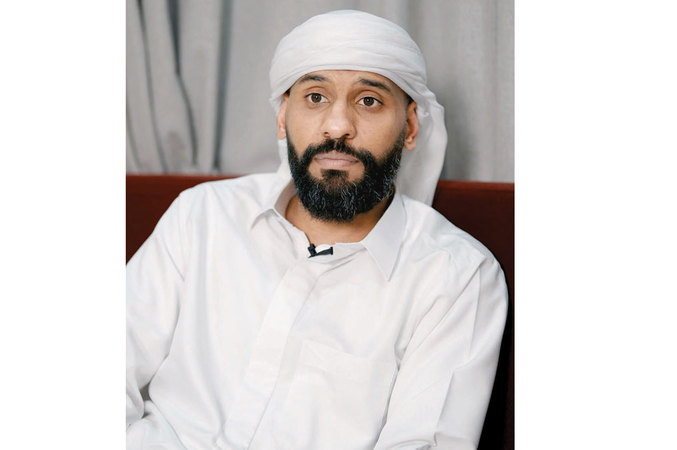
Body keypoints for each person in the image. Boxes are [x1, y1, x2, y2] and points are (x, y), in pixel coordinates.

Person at [127, 10, 507, 450]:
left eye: (369, 101)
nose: (338, 126)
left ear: (410, 127)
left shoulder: (456, 277)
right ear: (282, 117)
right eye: (315, 97)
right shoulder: (203, 215)